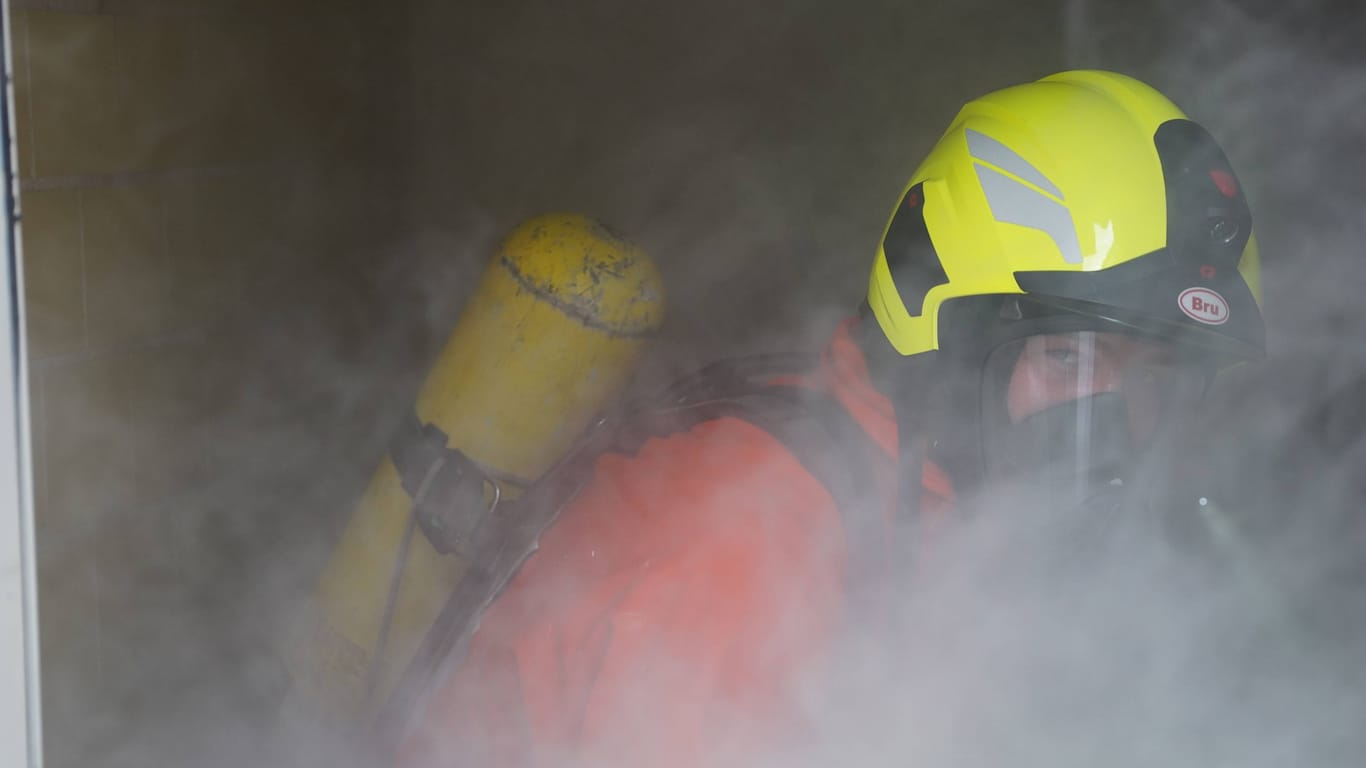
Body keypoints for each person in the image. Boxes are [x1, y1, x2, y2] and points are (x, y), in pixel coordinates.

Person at [389, 69, 1266, 768]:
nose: (1113, 431)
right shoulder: (742, 551)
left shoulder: (928, 502)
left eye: (1152, 384)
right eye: (1066, 359)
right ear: (945, 335)